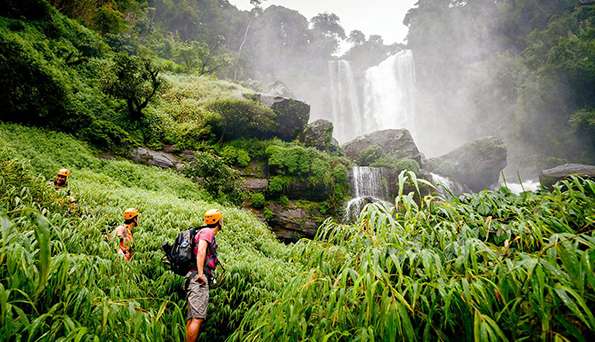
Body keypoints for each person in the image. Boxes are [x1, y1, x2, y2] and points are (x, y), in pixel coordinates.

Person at [186, 209, 222, 342]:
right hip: (198, 278)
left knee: (192, 318)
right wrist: (201, 274)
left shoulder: (203, 232)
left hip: (192, 277)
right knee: (197, 318)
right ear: (218, 221)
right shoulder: (207, 232)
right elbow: (201, 251)